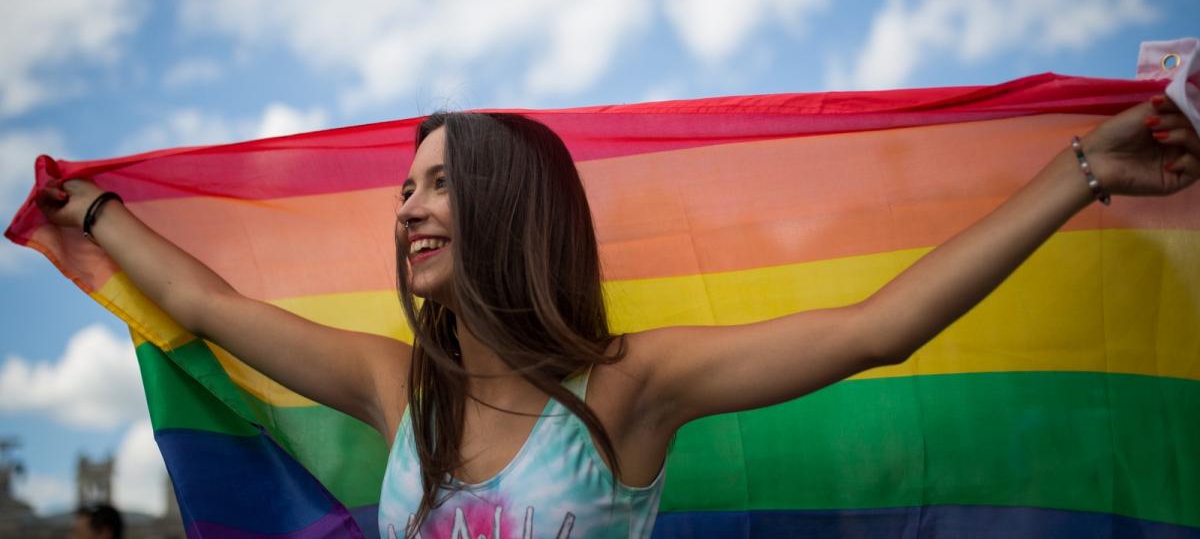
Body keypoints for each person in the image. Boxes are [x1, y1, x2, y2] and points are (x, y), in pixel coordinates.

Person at [38, 98, 1198, 538]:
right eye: (405, 188)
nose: (410, 209)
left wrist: (1081, 174)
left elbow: (877, 328)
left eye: (441, 182)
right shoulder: (398, 391)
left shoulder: (626, 390)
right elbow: (207, 304)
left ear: (510, 207)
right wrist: (89, 205)